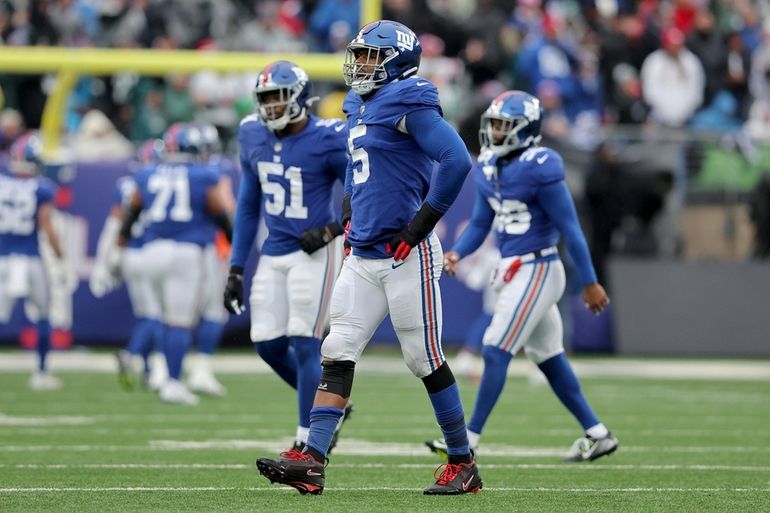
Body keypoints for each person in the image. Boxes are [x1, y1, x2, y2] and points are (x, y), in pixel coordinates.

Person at [255, 21, 482, 496]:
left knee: (424, 359)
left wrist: (421, 224)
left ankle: (463, 463)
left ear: (396, 59)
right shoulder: (359, 102)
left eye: (369, 57)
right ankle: (313, 459)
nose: (359, 65)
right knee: (336, 349)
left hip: (406, 254)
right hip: (363, 253)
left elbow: (457, 159)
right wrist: (349, 208)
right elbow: (364, 169)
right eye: (358, 56)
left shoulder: (410, 98)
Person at [425, 90, 618, 463]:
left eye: (504, 126)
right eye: (493, 124)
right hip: (517, 270)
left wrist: (591, 281)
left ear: (525, 129)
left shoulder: (540, 165)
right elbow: (481, 222)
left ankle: (467, 440)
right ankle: (598, 434)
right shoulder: (487, 167)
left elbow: (571, 230)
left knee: (496, 346)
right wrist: (457, 253)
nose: (496, 132)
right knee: (548, 356)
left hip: (540, 267)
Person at [223, 61, 351, 453]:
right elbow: (247, 206)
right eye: (266, 99)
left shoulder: (329, 137)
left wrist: (332, 230)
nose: (272, 107)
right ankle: (330, 406)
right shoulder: (251, 134)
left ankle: (308, 439)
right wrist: (236, 267)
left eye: (279, 98)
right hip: (275, 248)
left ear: (298, 97)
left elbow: (358, 192)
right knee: (266, 343)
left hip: (316, 250)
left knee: (304, 340)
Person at [118, 123, 232, 405]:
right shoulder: (204, 174)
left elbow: (131, 210)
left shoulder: (146, 172)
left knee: (159, 315)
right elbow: (220, 212)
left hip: (150, 250)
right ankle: (172, 382)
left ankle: (159, 372)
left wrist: (120, 243)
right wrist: (233, 241)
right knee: (179, 321)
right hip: (186, 252)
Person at [90, 139, 166, 391]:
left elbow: (114, 225)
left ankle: (146, 370)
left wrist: (107, 258)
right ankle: (132, 356)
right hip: (151, 252)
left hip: (129, 254)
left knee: (147, 315)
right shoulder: (162, 180)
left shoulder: (126, 184)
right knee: (158, 316)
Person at [0, 132, 65, 390]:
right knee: (43, 314)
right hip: (29, 259)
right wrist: (60, 255)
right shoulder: (42, 187)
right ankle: (41, 372)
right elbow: (46, 224)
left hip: (2, 258)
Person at [188, 123, 235, 397]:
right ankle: (201, 369)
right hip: (207, 249)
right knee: (212, 312)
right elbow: (226, 208)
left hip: (171, 247)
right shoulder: (213, 172)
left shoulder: (170, 169)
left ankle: (161, 370)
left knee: (172, 314)